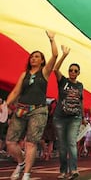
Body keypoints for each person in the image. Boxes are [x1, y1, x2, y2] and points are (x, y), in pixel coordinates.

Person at [5, 30, 58, 180]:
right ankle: (21, 162)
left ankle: (26, 174)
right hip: (21, 109)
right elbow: (16, 91)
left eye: (37, 57)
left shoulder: (45, 72)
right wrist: (6, 104)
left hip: (38, 110)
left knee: (31, 142)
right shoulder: (24, 74)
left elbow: (54, 56)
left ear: (42, 60)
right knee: (10, 142)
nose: (33, 59)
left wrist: (52, 39)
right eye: (32, 57)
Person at [53, 45, 85, 179]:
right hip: (60, 117)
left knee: (71, 143)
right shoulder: (63, 81)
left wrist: (82, 117)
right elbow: (55, 69)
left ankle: (74, 170)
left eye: (75, 70)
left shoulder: (80, 85)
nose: (72, 72)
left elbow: (81, 101)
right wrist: (64, 55)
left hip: (75, 118)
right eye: (71, 70)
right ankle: (63, 170)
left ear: (78, 73)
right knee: (62, 146)